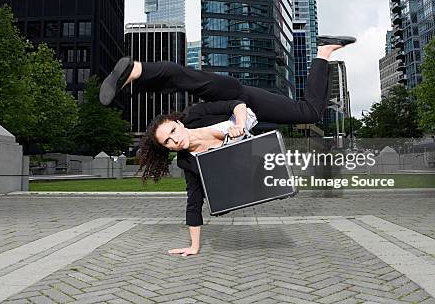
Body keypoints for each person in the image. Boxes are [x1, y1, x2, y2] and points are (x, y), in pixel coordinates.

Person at [99, 36, 355, 257]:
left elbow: (236, 104)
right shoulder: (188, 162)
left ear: (178, 123)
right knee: (309, 112)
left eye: (173, 131)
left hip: (234, 97)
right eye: (168, 142)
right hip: (255, 107)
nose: (175, 139)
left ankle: (136, 71)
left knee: (184, 78)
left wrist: (239, 127)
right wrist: (194, 246)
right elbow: (193, 203)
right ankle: (324, 50)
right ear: (167, 149)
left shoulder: (195, 115)